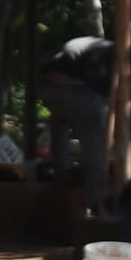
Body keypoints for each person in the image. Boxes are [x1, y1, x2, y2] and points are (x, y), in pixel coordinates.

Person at [43, 35, 117, 201]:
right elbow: (130, 92)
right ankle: (93, 203)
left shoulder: (99, 48)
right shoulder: (127, 54)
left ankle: (59, 192)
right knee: (94, 149)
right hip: (77, 91)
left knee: (60, 135)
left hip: (50, 88)